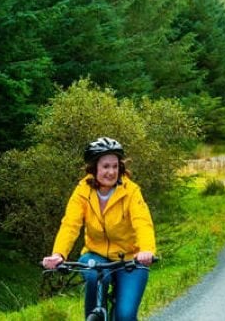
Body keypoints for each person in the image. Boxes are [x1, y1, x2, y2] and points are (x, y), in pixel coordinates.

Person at [42, 136, 156, 321]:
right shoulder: (82, 192)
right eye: (105, 166)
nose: (111, 172)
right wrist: (58, 254)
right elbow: (70, 224)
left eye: (115, 166)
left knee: (125, 316)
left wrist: (146, 251)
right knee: (94, 276)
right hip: (95, 255)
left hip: (131, 260)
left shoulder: (131, 191)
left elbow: (142, 222)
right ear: (94, 168)